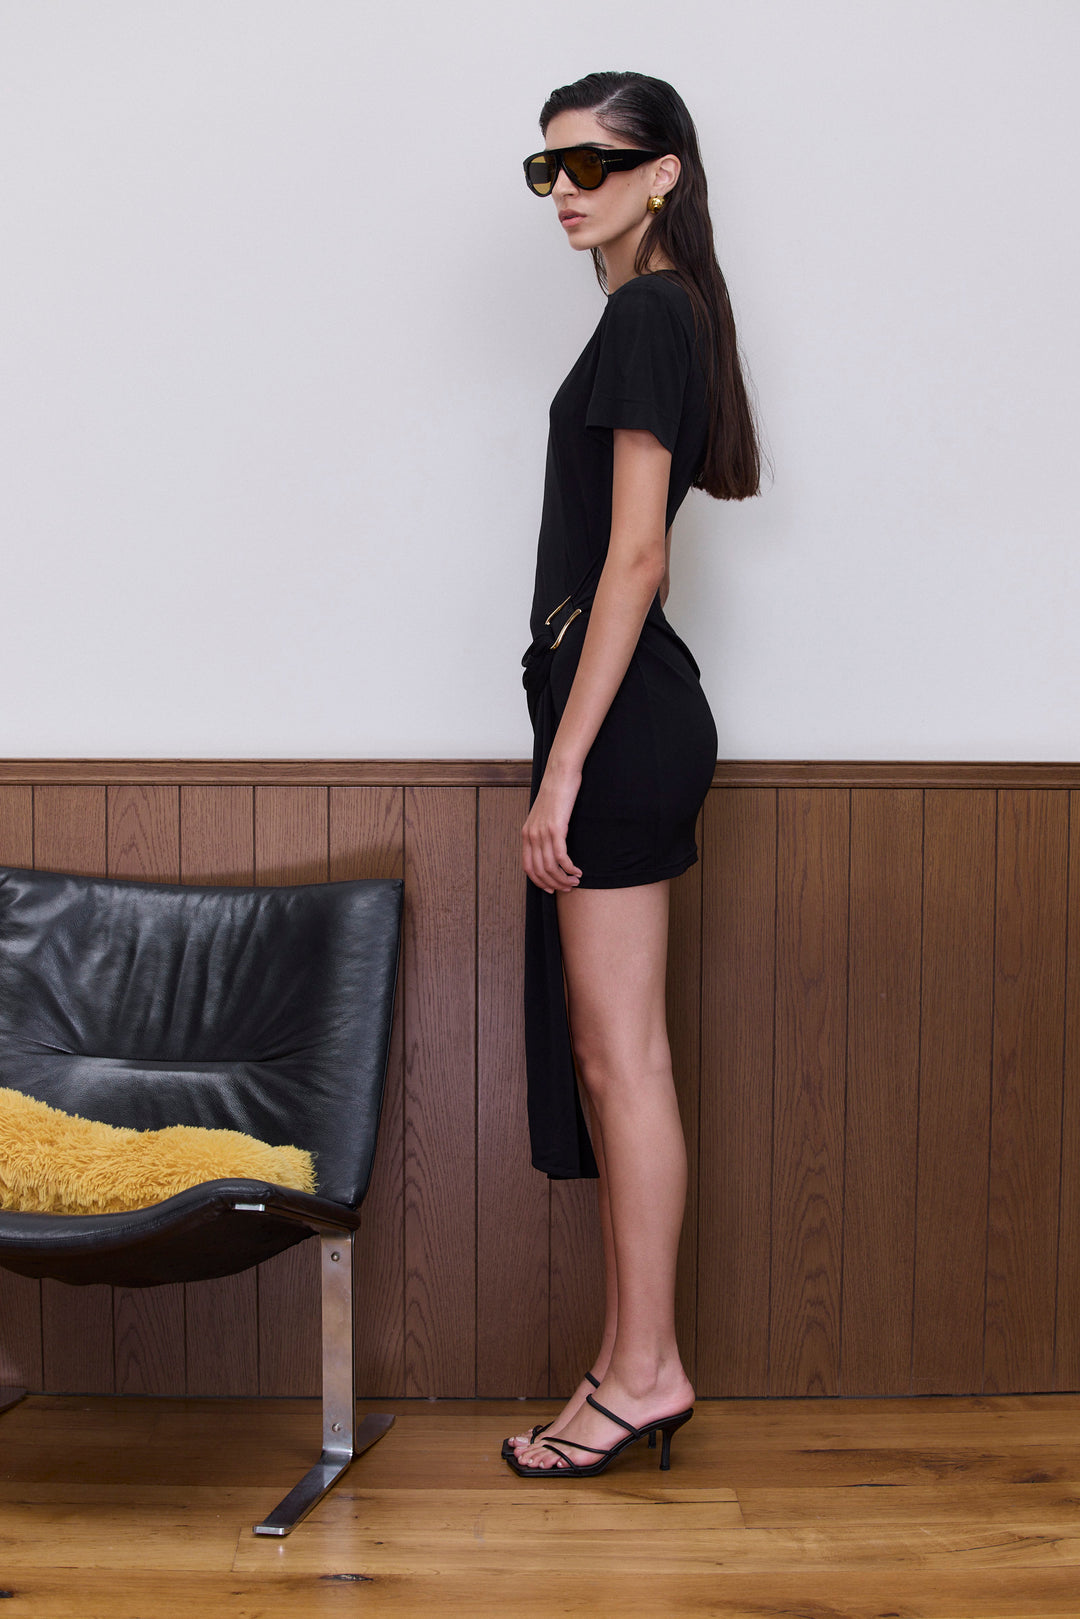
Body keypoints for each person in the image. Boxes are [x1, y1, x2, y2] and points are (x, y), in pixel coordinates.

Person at [503, 71, 762, 1478]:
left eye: (594, 163)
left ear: (663, 172)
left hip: (618, 728)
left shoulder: (652, 314)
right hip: (617, 718)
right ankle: (626, 1364)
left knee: (623, 1059)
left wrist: (563, 773)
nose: (566, 189)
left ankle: (646, 1371)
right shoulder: (653, 312)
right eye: (546, 168)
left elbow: (637, 557)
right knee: (616, 1060)